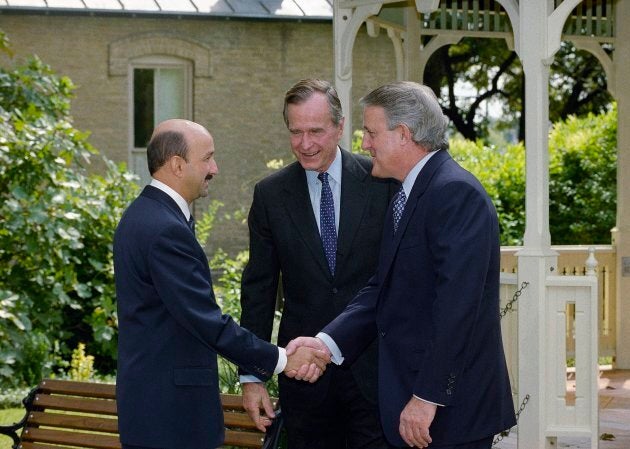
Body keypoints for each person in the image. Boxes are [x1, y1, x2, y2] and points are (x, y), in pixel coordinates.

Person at [287, 81, 517, 449]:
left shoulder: (454, 194)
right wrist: (326, 343)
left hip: (446, 413)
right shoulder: (409, 191)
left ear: (404, 135)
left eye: (371, 132)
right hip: (419, 407)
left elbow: (458, 309)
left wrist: (427, 397)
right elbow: (384, 287)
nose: (364, 144)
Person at [113, 119, 330, 449]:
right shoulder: (163, 229)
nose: (214, 168)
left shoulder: (144, 216)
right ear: (176, 164)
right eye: (207, 158)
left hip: (155, 410)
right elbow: (206, 321)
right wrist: (282, 359)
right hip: (171, 418)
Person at [238, 79, 394, 448]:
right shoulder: (270, 195)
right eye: (295, 132)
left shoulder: (382, 182)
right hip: (304, 378)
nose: (305, 144)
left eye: (316, 131)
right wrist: (252, 376)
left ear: (340, 127)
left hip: (374, 372)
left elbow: (400, 278)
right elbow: (258, 289)